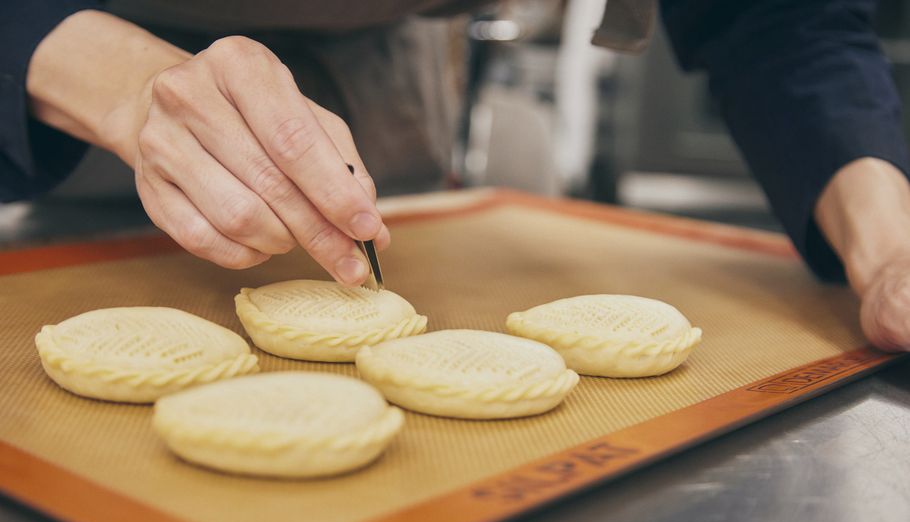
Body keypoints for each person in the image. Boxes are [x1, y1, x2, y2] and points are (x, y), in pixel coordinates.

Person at [2, 1, 909, 352]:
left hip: (375, 123)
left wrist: (888, 248)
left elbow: (779, 22)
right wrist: (117, 83)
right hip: (60, 119)